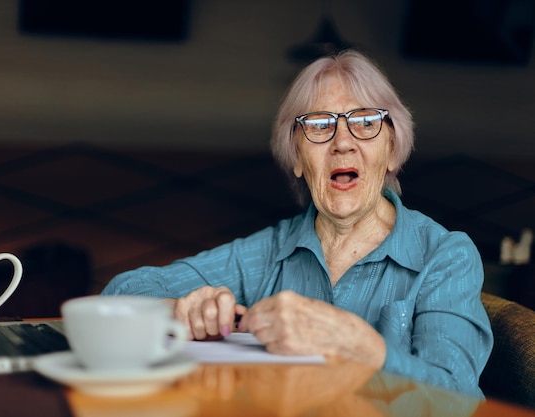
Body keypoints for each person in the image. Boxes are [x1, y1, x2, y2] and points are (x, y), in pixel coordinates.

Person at [102, 50, 493, 398]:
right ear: (296, 159)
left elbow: (456, 398)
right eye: (319, 125)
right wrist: (179, 310)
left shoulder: (445, 257)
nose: (343, 142)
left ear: (391, 149)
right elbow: (121, 294)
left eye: (365, 121)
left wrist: (363, 348)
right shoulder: (268, 252)